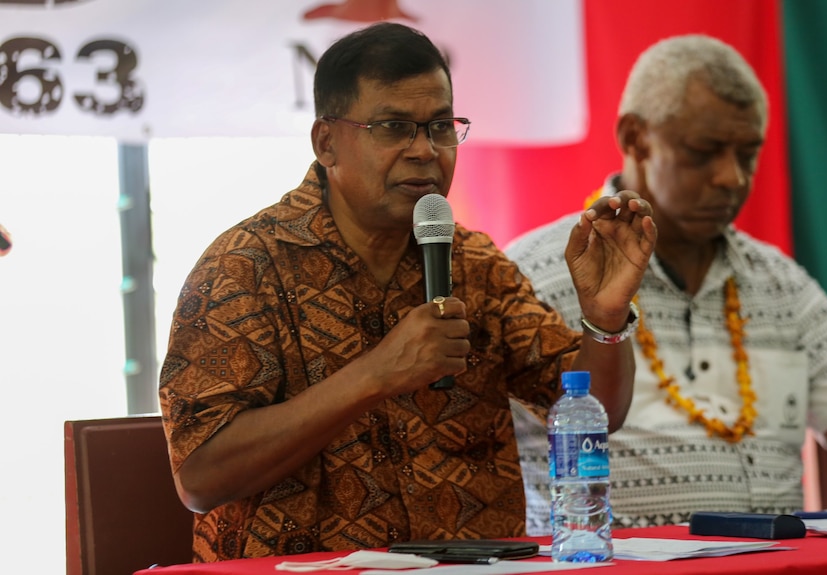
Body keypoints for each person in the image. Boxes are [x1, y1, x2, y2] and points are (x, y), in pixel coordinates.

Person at [159, 22, 656, 561]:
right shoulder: (244, 268)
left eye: (441, 126)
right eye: (395, 127)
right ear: (327, 142)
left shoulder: (475, 264)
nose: (425, 151)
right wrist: (376, 375)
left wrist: (604, 320)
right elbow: (201, 477)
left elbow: (589, 411)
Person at [506, 34, 827, 533]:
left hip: (780, 568)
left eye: (748, 153)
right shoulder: (532, 274)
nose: (732, 178)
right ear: (634, 137)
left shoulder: (783, 283)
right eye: (704, 152)